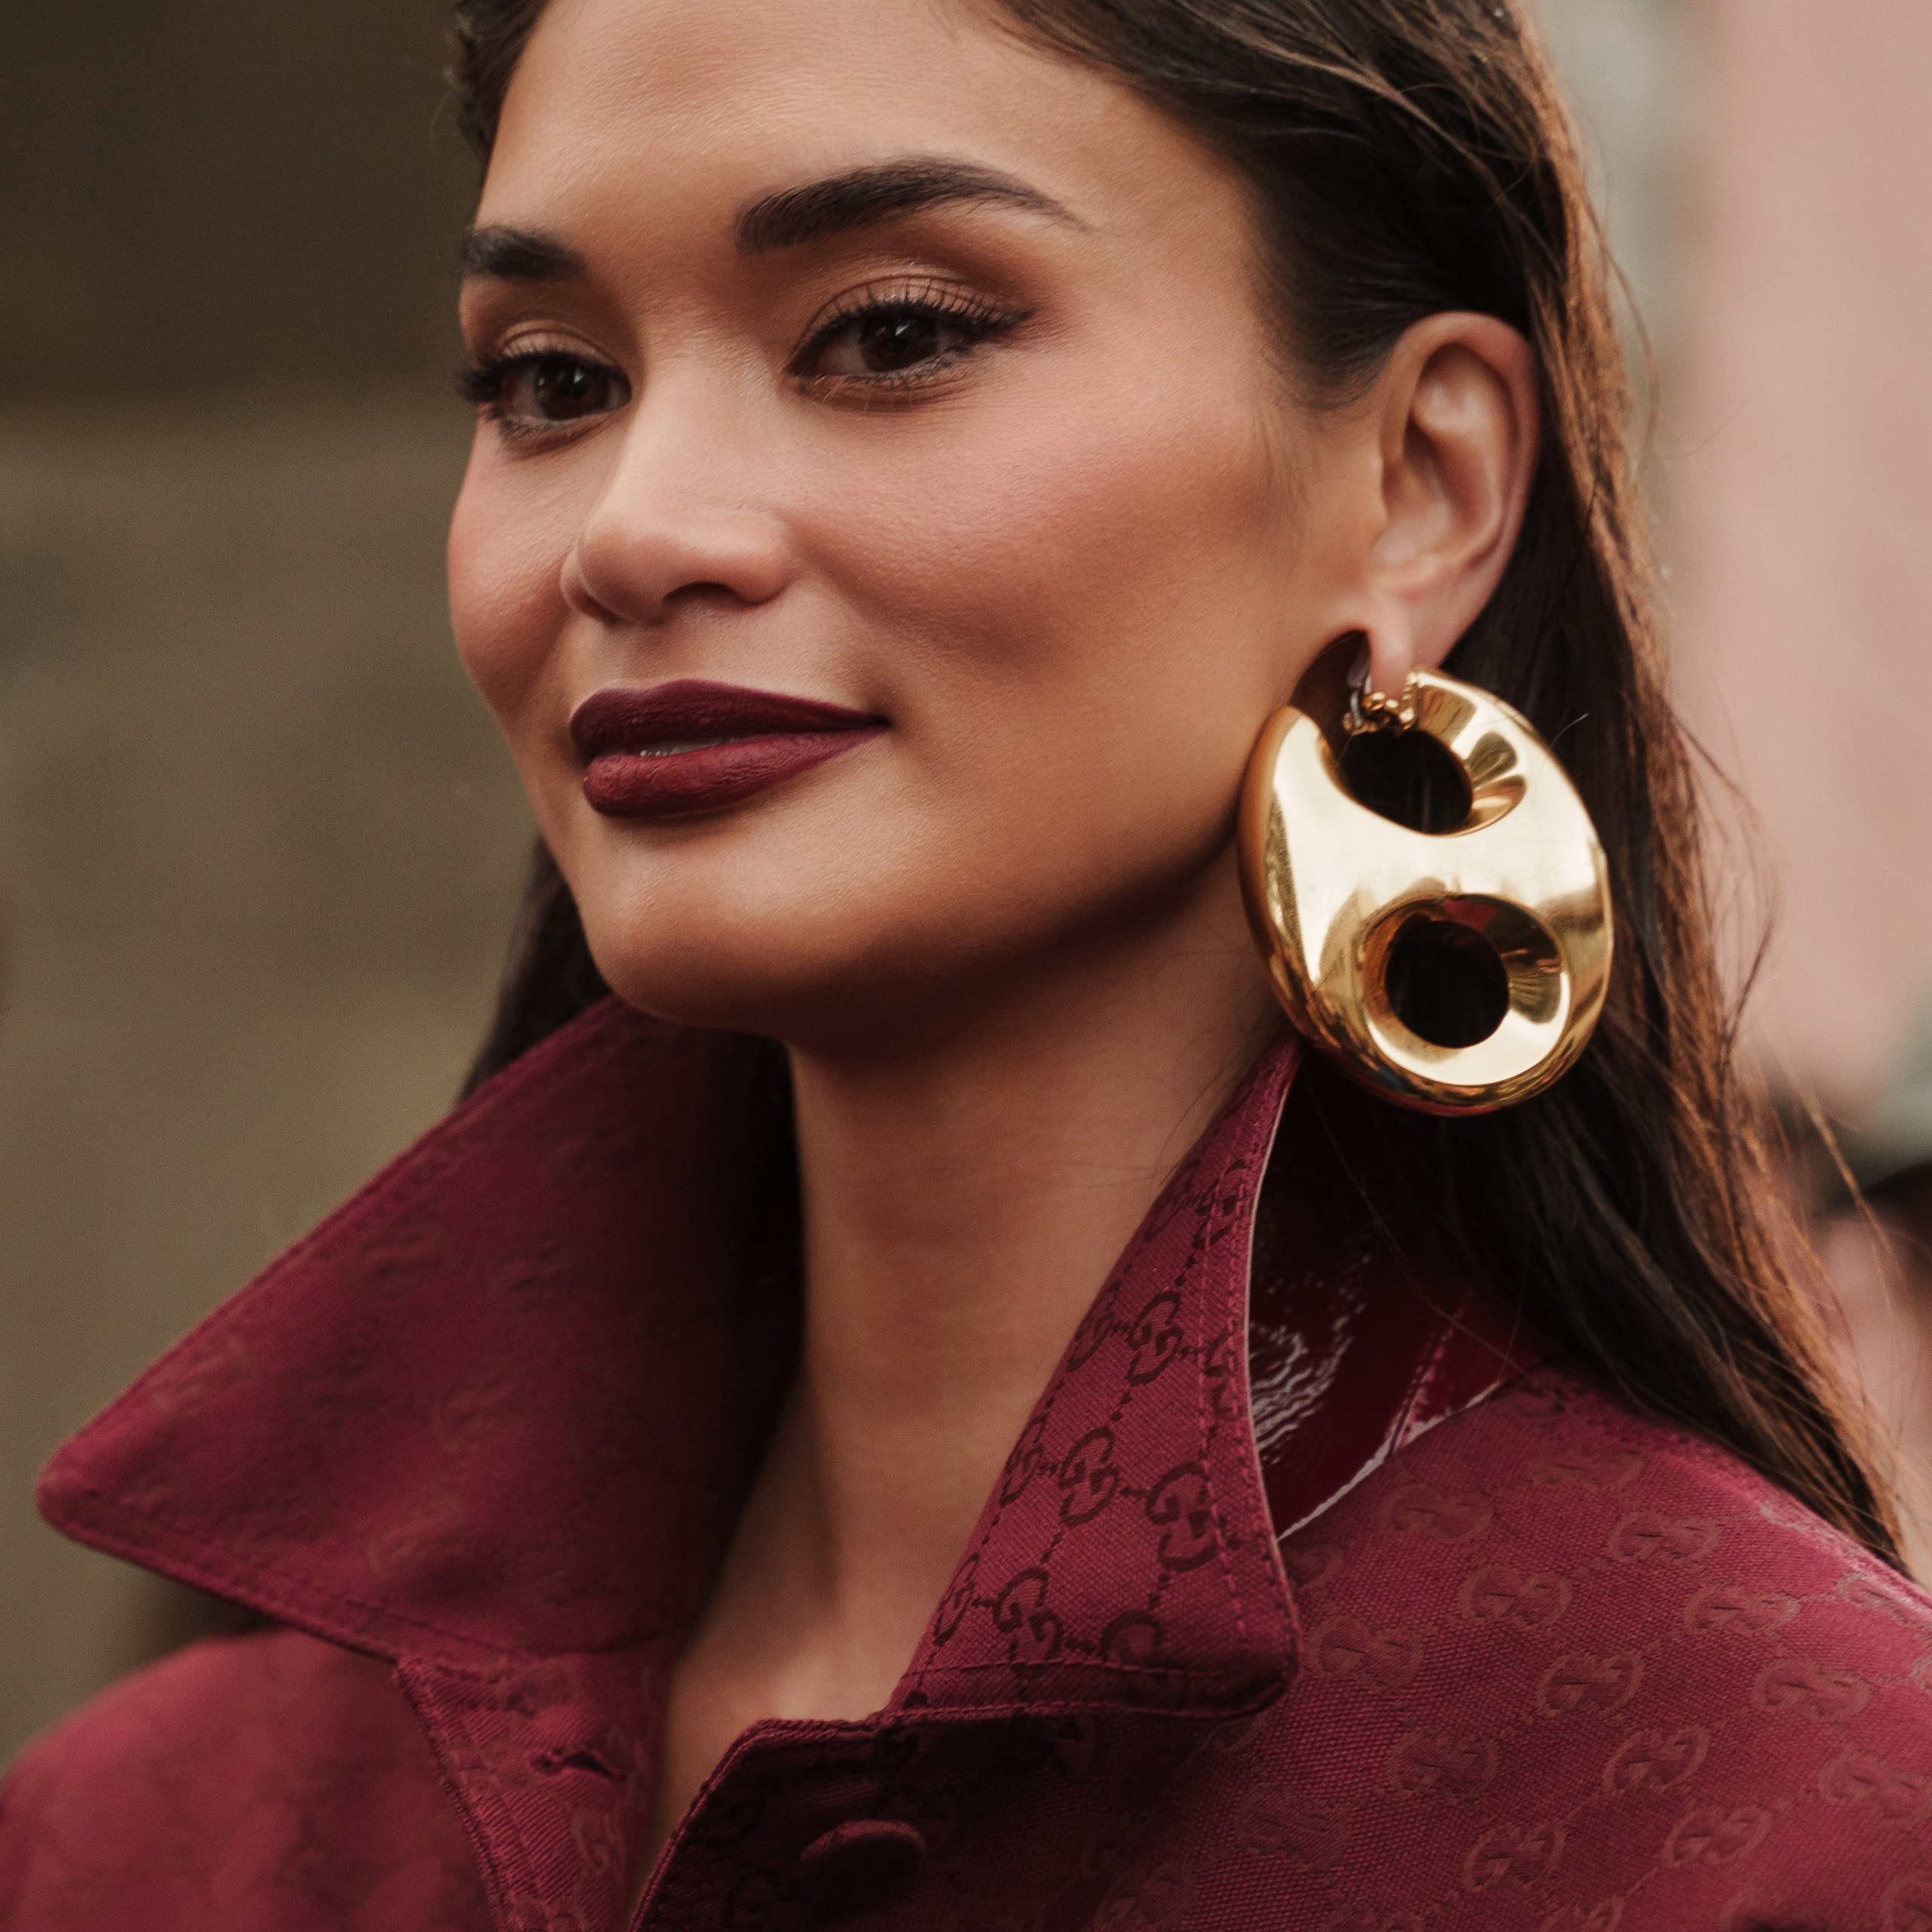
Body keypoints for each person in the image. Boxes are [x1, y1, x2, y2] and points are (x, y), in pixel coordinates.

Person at [2, 2, 1927, 1925]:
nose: (632, 528)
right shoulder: (151, 1840)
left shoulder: (1774, 1815)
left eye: (893, 333)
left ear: (1415, 480)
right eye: (550, 381)